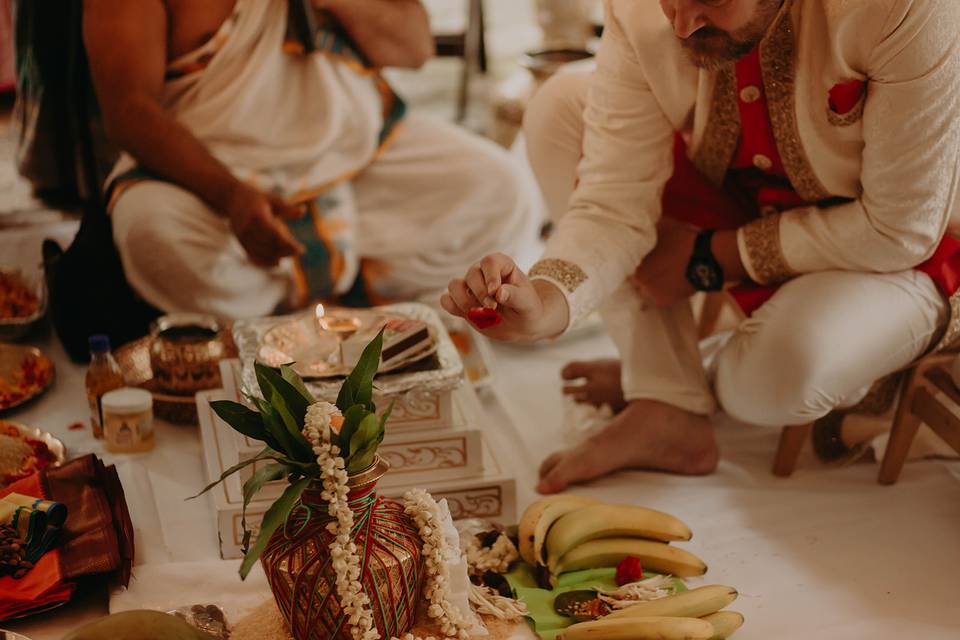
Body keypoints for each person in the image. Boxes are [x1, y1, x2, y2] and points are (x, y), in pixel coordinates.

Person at [442, 0, 960, 494]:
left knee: (781, 373)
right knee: (559, 104)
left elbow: (901, 228)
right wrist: (547, 301)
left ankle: (697, 381)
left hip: (901, 247)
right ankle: (666, 398)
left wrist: (709, 258)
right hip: (741, 193)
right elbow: (613, 202)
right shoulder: (648, 11)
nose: (684, 25)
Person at [83, 0, 538, 318]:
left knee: (500, 188)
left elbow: (414, 47)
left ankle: (318, 307)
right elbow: (128, 111)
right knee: (151, 231)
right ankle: (312, 313)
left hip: (353, 156)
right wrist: (231, 196)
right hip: (215, 175)